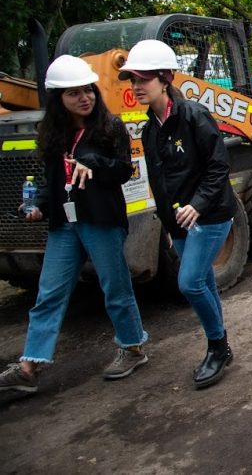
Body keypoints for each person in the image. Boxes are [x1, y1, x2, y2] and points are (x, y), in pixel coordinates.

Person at [0, 56, 148, 396]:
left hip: (101, 221)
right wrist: (38, 205)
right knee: (49, 293)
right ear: (58, 99)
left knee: (115, 288)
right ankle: (29, 367)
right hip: (65, 225)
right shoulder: (54, 133)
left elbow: (123, 170)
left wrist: (92, 161)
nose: (85, 98)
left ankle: (132, 348)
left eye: (88, 90)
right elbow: (53, 180)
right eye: (74, 93)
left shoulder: (110, 127)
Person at [121, 39, 237, 389]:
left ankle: (217, 347)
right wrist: (170, 225)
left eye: (144, 79)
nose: (136, 86)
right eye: (133, 80)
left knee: (189, 283)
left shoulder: (194, 116)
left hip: (211, 215)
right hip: (180, 222)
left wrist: (197, 204)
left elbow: (219, 167)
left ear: (166, 78)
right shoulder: (149, 129)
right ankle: (222, 345)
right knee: (202, 281)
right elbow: (160, 183)